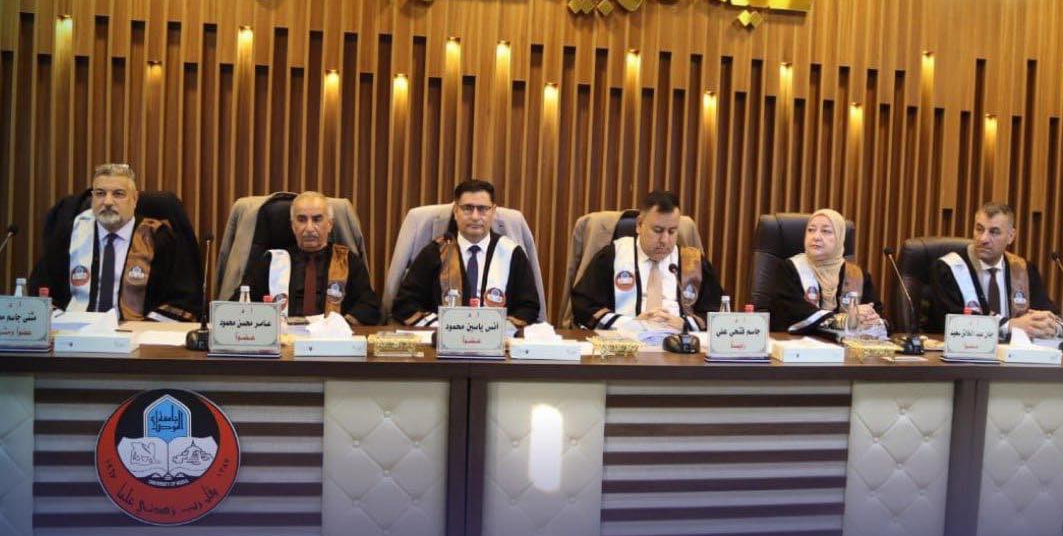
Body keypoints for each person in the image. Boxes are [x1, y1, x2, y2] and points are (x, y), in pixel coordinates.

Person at [29, 163, 200, 321]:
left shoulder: (158, 238)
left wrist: (143, 332)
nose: (108, 202)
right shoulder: (70, 234)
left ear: (134, 199)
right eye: (100, 194)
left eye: (118, 194)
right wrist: (61, 323)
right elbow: (42, 291)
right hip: (76, 333)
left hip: (138, 335)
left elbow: (183, 300)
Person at [391, 179, 541, 328]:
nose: (475, 216)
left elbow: (528, 307)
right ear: (456, 211)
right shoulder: (435, 252)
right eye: (467, 208)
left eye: (483, 209)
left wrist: (499, 329)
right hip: (442, 339)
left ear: (493, 211)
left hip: (499, 340)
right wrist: (442, 327)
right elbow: (405, 304)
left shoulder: (511, 253)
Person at [571, 190, 724, 332]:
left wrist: (685, 324)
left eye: (672, 231)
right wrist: (630, 324)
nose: (665, 240)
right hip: (625, 343)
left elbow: (718, 313)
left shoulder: (692, 263)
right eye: (658, 230)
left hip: (679, 345)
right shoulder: (612, 256)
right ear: (639, 225)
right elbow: (584, 308)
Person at [243, 191, 380, 325]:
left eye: (317, 219)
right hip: (284, 336)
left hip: (331, 337)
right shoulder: (272, 262)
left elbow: (369, 306)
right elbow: (241, 301)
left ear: (330, 224)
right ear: (293, 226)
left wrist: (341, 324)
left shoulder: (346, 261)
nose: (309, 228)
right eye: (301, 220)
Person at [929, 201, 1062, 339]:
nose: (983, 239)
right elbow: (952, 322)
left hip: (1016, 352)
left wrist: (1051, 326)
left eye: (994, 232)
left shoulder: (1024, 270)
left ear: (1011, 236)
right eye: (979, 229)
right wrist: (1010, 326)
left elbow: (1050, 313)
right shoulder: (948, 269)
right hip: (968, 350)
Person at [765, 209, 885, 334]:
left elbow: (878, 315)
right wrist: (844, 320)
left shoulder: (858, 276)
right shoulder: (789, 269)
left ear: (840, 238)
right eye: (811, 230)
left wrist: (869, 319)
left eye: (826, 231)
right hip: (800, 343)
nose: (816, 237)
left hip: (845, 345)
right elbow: (790, 312)